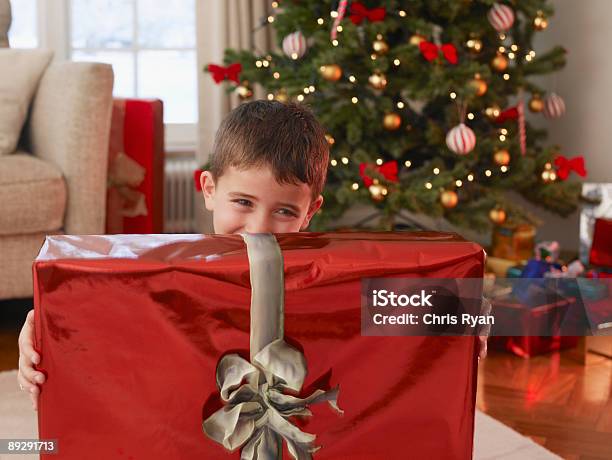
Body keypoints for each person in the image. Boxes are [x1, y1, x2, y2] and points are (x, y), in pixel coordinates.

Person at [17, 100, 487, 410]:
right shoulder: (172, 270)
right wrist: (38, 325)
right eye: (242, 203)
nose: (259, 227)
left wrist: (468, 323)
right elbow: (105, 306)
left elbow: (411, 308)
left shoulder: (329, 277)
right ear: (209, 189)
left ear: (310, 213)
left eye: (284, 210)